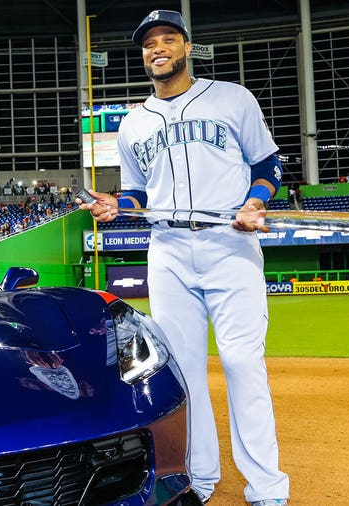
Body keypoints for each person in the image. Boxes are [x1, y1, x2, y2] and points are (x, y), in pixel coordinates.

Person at [78, 10, 289, 506]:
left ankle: (267, 490)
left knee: (242, 362)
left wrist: (255, 203)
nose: (158, 48)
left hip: (229, 244)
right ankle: (199, 478)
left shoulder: (232, 98)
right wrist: (116, 205)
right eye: (150, 42)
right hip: (168, 249)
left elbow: (268, 164)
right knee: (184, 371)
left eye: (168, 39)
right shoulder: (133, 123)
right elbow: (135, 193)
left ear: (186, 47)